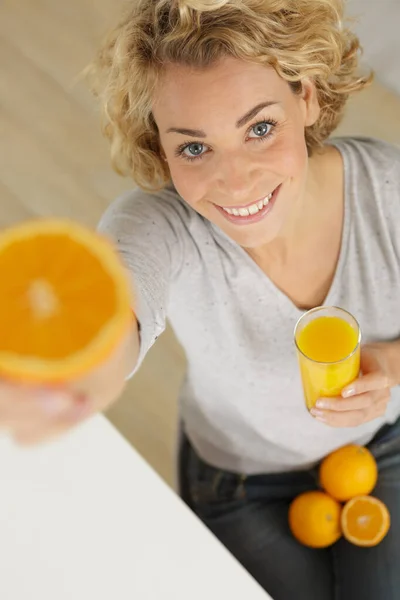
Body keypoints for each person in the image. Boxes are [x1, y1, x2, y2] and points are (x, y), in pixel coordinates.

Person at [2, 0, 400, 598]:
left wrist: (392, 366)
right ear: (161, 148)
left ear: (308, 97)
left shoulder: (388, 191)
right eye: (194, 147)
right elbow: (118, 321)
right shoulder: (159, 229)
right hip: (239, 486)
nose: (235, 182)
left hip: (382, 447)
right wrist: (68, 379)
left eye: (260, 128)